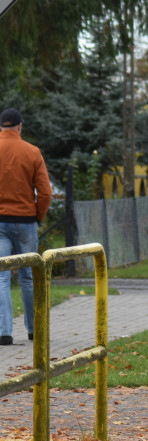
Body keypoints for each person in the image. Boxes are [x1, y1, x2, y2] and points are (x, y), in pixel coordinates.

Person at [0, 108, 51, 346]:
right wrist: (37, 215)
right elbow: (45, 191)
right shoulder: (32, 152)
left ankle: (4, 332)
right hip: (26, 220)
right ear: (20, 126)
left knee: (1, 276)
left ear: (1, 127)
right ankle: (34, 330)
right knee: (28, 276)